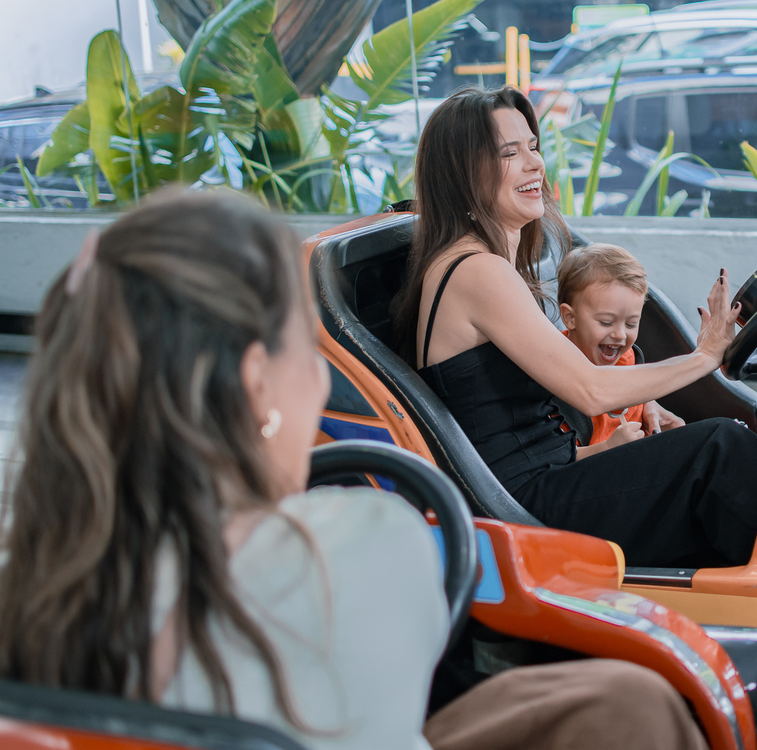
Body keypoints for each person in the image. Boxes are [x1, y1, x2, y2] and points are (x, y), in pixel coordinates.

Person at [0, 189, 705, 750]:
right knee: (636, 705)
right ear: (256, 386)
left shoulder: (33, 581)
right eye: (303, 348)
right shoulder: (366, 540)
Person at [391, 87, 757, 569]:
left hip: (550, 479)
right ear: (463, 174)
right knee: (719, 448)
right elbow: (591, 390)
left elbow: (528, 432)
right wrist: (705, 356)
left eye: (532, 147)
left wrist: (635, 422)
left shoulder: (486, 264)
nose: (534, 164)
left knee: (735, 444)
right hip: (523, 510)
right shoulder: (476, 271)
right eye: (509, 153)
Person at [557, 242, 685, 457]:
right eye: (606, 322)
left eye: (631, 324)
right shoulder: (554, 376)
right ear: (570, 317)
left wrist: (648, 404)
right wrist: (606, 448)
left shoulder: (629, 357)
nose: (620, 335)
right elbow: (556, 456)